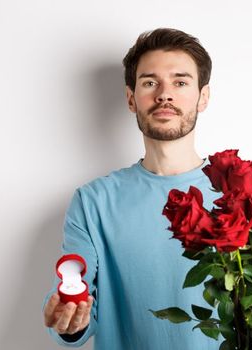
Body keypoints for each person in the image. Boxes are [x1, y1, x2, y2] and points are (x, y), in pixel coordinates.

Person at [41, 27, 225, 349]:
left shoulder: (246, 196)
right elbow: (77, 297)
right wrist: (69, 319)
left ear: (203, 97)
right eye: (150, 82)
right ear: (131, 98)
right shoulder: (93, 202)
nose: (164, 94)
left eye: (180, 82)